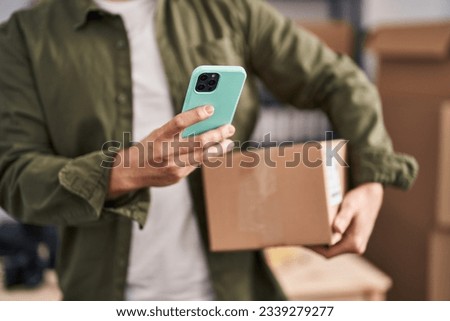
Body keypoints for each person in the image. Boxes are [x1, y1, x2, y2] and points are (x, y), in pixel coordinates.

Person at [0, 0, 418, 300]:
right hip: (101, 295)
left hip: (236, 293)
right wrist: (121, 170)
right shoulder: (25, 36)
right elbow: (13, 176)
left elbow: (339, 79)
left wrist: (374, 179)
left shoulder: (228, 8)